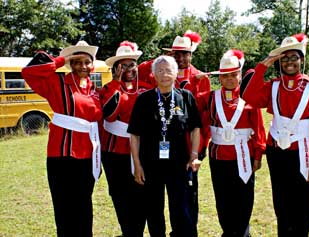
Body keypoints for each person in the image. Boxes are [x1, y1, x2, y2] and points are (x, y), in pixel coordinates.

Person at [241, 33, 309, 237]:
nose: (289, 62)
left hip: (303, 154)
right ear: (279, 62)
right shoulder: (273, 85)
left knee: (303, 207)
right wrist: (263, 66)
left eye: (294, 57)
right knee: (282, 205)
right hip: (278, 154)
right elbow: (249, 97)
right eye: (284, 58)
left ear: (302, 60)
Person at [21, 41, 102, 236]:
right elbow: (29, 72)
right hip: (62, 155)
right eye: (76, 62)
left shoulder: (94, 90)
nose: (82, 66)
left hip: (88, 157)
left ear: (93, 64)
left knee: (84, 205)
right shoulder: (57, 83)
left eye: (86, 61)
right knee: (64, 208)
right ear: (70, 64)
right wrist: (62, 60)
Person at [128, 55, 202, 237]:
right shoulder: (144, 99)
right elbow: (134, 135)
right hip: (151, 164)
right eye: (160, 70)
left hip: (179, 163)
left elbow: (195, 129)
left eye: (169, 70)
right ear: (153, 74)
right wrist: (137, 165)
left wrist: (194, 155)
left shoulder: (186, 97)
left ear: (176, 73)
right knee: (153, 209)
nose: (165, 74)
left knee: (180, 207)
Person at [197, 49, 266, 237]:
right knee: (223, 199)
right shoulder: (209, 98)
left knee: (244, 199)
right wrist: (198, 151)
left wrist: (258, 155)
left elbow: (258, 127)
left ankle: (243, 233)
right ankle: (228, 232)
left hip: (244, 156)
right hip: (218, 158)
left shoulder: (248, 98)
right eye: (225, 75)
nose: (229, 79)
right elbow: (201, 127)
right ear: (220, 77)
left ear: (240, 75)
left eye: (233, 75)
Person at [100, 41, 154, 236]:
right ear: (115, 69)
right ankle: (128, 231)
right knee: (120, 195)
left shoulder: (147, 88)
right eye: (122, 66)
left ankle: (137, 231)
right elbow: (109, 115)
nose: (128, 69)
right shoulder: (108, 89)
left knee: (141, 194)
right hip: (115, 152)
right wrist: (116, 84)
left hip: (142, 150)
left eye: (132, 65)